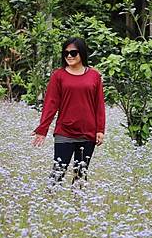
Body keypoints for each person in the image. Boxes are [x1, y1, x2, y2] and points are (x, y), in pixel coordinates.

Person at [31, 37, 105, 188]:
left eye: (73, 52)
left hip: (88, 133)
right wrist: (42, 129)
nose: (69, 56)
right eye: (66, 53)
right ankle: (50, 202)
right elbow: (50, 104)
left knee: (81, 173)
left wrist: (100, 130)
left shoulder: (94, 76)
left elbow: (99, 105)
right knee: (58, 171)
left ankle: (79, 206)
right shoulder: (58, 76)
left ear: (82, 53)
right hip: (64, 132)